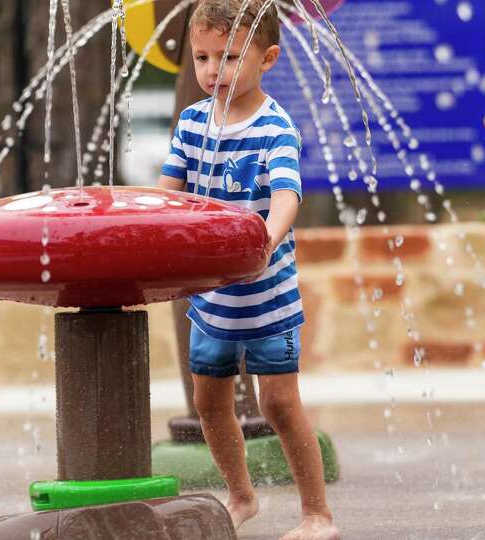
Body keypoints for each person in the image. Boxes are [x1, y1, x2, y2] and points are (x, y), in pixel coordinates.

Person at [157, 1, 340, 539]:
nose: (213, 71)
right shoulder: (192, 123)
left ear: (269, 58)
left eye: (230, 57)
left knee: (279, 403)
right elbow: (167, 194)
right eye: (203, 57)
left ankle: (317, 515)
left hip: (268, 291)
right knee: (209, 401)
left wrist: (262, 240)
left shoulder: (274, 128)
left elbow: (287, 196)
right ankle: (241, 495)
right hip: (212, 295)